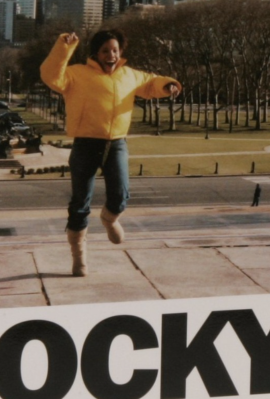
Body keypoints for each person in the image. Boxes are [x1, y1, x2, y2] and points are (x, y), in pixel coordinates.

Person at [39, 31, 180, 277]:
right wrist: (64, 46)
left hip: (116, 145)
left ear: (120, 52)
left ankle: (109, 219)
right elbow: (51, 76)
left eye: (115, 50)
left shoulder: (130, 75)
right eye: (105, 50)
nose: (111, 55)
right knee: (80, 203)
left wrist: (169, 85)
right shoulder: (76, 74)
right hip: (85, 144)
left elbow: (150, 83)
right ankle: (79, 255)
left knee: (121, 195)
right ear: (95, 53)